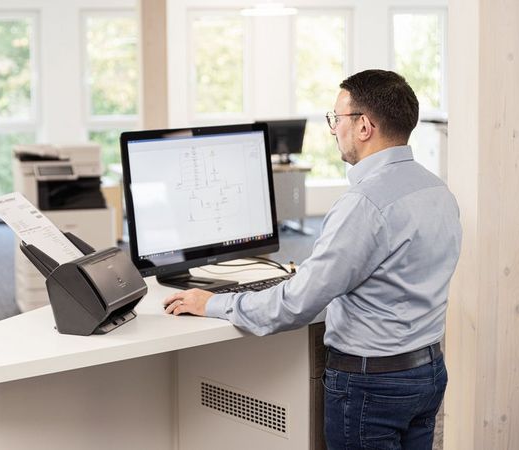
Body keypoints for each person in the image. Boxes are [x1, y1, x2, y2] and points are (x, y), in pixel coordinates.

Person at [162, 69, 462, 450]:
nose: (333, 129)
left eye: (337, 119)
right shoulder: (437, 190)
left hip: (372, 386)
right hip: (427, 372)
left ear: (364, 126)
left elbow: (296, 304)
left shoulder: (364, 204)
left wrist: (214, 302)